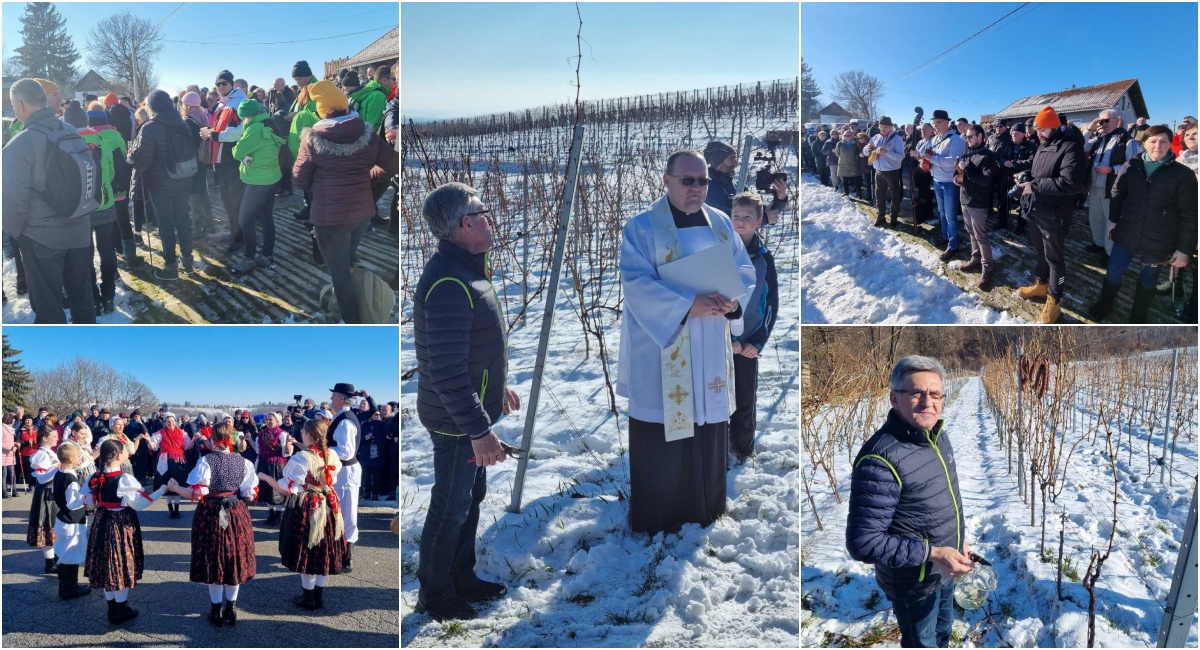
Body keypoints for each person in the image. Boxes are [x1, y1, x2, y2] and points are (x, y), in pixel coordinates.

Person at [617, 150, 755, 532]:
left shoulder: (722, 224)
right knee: (667, 423)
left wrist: (732, 297)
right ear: (666, 180)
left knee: (706, 421)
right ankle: (658, 514)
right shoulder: (642, 228)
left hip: (710, 339)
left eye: (703, 180)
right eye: (688, 180)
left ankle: (705, 507)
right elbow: (636, 284)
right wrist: (685, 305)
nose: (697, 188)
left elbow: (743, 270)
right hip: (666, 344)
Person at [413, 182, 522, 621]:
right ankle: (435, 595)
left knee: (468, 500)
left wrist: (497, 387)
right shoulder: (448, 283)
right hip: (456, 422)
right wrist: (478, 430)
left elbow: (471, 349)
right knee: (450, 506)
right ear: (466, 223)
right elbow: (445, 371)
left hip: (469, 410)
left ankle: (462, 576)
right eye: (483, 211)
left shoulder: (467, 269)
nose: (490, 218)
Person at [846, 355, 972, 648]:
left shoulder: (937, 437)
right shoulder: (879, 460)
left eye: (936, 394)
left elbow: (946, 498)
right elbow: (864, 543)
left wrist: (959, 539)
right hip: (913, 583)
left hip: (944, 571)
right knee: (922, 643)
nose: (928, 402)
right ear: (894, 398)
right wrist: (933, 553)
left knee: (942, 635)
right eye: (916, 393)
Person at [293, 80, 399, 322]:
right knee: (348, 260)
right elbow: (392, 163)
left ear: (322, 110)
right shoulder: (368, 134)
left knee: (338, 273)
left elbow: (299, 179)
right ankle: (358, 302)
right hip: (362, 213)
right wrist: (369, 175)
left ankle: (352, 322)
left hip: (329, 219)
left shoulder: (312, 140)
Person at [2, 79, 97, 324]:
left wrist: (17, 235)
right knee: (82, 300)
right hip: (80, 230)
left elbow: (12, 200)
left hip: (42, 240)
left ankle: (64, 355)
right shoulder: (71, 131)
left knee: (48, 309)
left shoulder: (19, 144)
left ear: (20, 104)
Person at [1087, 125, 1197, 323]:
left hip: (1159, 236)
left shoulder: (1183, 175)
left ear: (1170, 143)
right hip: (1127, 230)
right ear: (1144, 143)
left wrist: (1183, 249)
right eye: (1153, 141)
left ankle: (1138, 315)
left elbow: (1190, 214)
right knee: (1114, 270)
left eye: (1164, 141)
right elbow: (1117, 195)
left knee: (1148, 278)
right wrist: (1112, 221)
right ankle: (1105, 304)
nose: (1158, 145)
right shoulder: (1132, 166)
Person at [163, 422, 258, 627]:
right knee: (232, 558)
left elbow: (197, 495)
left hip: (211, 513)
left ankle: (216, 611)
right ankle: (231, 609)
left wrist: (175, 487)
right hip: (236, 513)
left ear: (213, 439)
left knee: (214, 558)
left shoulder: (206, 461)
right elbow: (250, 496)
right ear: (231, 440)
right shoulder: (244, 463)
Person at [257, 419, 349, 611]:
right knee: (323, 549)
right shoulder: (331, 454)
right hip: (329, 503)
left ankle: (308, 598)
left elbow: (286, 490)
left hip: (309, 505)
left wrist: (265, 477)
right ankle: (318, 596)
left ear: (308, 435)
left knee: (308, 550)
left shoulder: (301, 458)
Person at [1011, 106, 1085, 324]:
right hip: (1037, 210)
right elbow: (1037, 174)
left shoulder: (1071, 147)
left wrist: (1033, 184)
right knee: (1039, 250)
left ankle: (1054, 300)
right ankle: (1041, 284)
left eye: (1043, 129)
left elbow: (1070, 183)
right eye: (1037, 129)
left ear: (1055, 127)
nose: (1039, 133)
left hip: (1056, 213)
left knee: (1054, 258)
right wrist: (1024, 176)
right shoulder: (1043, 146)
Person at [85, 439, 168, 625]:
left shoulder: (94, 476)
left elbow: (87, 503)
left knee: (107, 566)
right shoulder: (124, 478)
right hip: (119, 525)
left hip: (100, 522)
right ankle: (120, 610)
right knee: (120, 565)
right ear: (119, 455)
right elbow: (139, 504)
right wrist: (162, 489)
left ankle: (112, 609)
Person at [128, 90, 199, 281]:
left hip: (160, 184)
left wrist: (132, 156)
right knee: (183, 219)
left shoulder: (149, 127)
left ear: (152, 107)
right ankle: (188, 261)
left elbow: (143, 163)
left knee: (165, 225)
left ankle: (170, 268)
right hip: (183, 178)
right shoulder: (182, 123)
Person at [728, 192, 777, 463]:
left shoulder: (763, 259)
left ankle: (744, 451)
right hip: (719, 344)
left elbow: (770, 303)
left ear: (759, 221)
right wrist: (727, 338)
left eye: (748, 217)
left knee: (744, 401)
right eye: (736, 216)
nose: (741, 222)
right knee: (717, 398)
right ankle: (718, 448)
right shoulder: (719, 252)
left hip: (747, 345)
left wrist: (756, 342)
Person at [230, 98, 286, 274]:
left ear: (246, 116)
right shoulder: (269, 123)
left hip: (258, 180)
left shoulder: (254, 128)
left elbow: (237, 152)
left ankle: (249, 258)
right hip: (272, 176)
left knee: (245, 219)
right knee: (266, 216)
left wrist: (242, 147)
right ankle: (266, 255)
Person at [200, 70, 248, 252]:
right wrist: (209, 132)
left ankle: (240, 237)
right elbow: (222, 129)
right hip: (221, 159)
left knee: (236, 200)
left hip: (232, 159)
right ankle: (234, 231)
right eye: (218, 84)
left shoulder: (239, 103)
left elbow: (240, 131)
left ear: (232, 84)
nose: (220, 87)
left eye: (224, 84)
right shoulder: (223, 104)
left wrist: (212, 134)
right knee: (227, 199)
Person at [1083, 110, 1139, 259]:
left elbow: (1133, 165)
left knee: (1110, 221)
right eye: (1101, 121)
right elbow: (1082, 148)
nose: (1103, 124)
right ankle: (1098, 243)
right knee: (1095, 218)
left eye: (1107, 120)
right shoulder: (1098, 138)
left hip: (1112, 188)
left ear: (1117, 120)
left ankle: (1110, 253)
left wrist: (1112, 170)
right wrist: (1090, 129)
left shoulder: (1128, 140)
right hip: (1095, 187)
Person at [325, 385, 369, 569]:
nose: (331, 399)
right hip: (341, 472)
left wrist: (323, 450)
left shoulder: (345, 422)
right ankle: (338, 553)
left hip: (346, 472)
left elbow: (346, 451)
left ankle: (347, 558)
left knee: (347, 513)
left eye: (333, 396)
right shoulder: (341, 418)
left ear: (341, 399)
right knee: (338, 512)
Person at [955, 124, 1001, 290]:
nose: (968, 139)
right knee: (971, 233)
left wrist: (966, 170)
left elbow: (984, 180)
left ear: (981, 136)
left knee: (981, 235)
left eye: (971, 136)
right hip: (965, 198)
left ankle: (987, 268)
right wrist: (958, 176)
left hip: (978, 202)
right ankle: (975, 259)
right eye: (966, 137)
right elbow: (961, 172)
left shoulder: (988, 156)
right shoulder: (968, 154)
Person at [701, 141, 788, 223]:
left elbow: (765, 212)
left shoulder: (737, 186)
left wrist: (780, 198)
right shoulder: (710, 188)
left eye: (735, 158)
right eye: (731, 158)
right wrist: (763, 219)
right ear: (718, 162)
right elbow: (721, 220)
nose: (736, 163)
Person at [52, 443, 92, 600]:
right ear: (71, 458)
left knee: (63, 552)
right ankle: (70, 587)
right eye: (78, 455)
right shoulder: (71, 479)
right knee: (70, 554)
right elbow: (72, 503)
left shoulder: (59, 473)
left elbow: (56, 493)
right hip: (72, 522)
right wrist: (86, 496)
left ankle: (65, 586)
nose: (79, 457)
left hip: (63, 520)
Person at [286, 61, 321, 222]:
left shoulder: (318, 89)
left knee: (314, 180)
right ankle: (308, 206)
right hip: (299, 141)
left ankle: (315, 209)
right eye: (295, 79)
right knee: (307, 179)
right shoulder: (303, 90)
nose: (298, 82)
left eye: (300, 78)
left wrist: (298, 117)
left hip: (311, 141)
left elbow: (317, 113)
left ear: (308, 75)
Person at [181, 91, 216, 239]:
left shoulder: (187, 121)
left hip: (192, 161)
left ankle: (198, 225)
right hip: (202, 160)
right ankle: (210, 222)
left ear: (186, 106)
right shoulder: (204, 116)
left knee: (194, 194)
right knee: (203, 191)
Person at [28, 425, 61, 574]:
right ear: (44, 438)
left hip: (53, 492)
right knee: (48, 526)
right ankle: (50, 563)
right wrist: (57, 469)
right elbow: (41, 479)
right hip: (46, 493)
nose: (57, 438)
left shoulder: (49, 453)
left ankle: (54, 559)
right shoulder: (41, 455)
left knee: (54, 526)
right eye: (54, 436)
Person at [146, 413, 193, 519]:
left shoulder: (182, 433)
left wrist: (194, 439)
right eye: (168, 421)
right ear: (165, 423)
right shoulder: (160, 433)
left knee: (178, 482)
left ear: (175, 422)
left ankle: (176, 509)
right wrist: (149, 440)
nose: (170, 423)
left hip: (178, 460)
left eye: (172, 421)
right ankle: (170, 510)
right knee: (166, 482)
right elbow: (153, 446)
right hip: (165, 460)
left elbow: (187, 446)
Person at [864, 117, 906, 228]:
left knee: (894, 196)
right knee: (879, 195)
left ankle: (894, 218)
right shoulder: (875, 137)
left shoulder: (897, 139)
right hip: (878, 170)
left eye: (885, 127)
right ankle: (881, 216)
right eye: (881, 126)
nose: (882, 129)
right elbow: (864, 150)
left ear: (891, 127)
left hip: (892, 171)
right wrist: (867, 149)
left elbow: (900, 157)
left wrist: (886, 152)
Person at [255, 412, 294, 525]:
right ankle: (271, 514)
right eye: (267, 419)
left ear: (277, 421)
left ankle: (278, 514)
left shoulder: (282, 434)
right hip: (264, 463)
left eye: (271, 419)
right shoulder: (262, 434)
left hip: (277, 465)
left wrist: (287, 443)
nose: (268, 421)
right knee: (267, 490)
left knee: (277, 490)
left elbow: (286, 453)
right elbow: (258, 450)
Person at [1005, 123, 1037, 236]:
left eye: (1017, 133)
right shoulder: (1008, 145)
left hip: (1024, 179)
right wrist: (1005, 162)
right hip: (1009, 176)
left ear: (1023, 134)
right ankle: (1004, 222)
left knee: (1023, 203)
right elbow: (1002, 156)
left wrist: (1014, 164)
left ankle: (1020, 226)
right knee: (1007, 200)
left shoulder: (1031, 146)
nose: (1014, 135)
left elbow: (1032, 162)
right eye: (1012, 133)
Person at [985, 120, 1014, 229]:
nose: (998, 127)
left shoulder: (1009, 139)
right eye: (996, 126)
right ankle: (989, 210)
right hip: (991, 171)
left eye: (1000, 126)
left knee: (1002, 197)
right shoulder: (991, 137)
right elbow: (987, 150)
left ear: (1005, 127)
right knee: (989, 193)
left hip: (1003, 172)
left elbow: (1009, 156)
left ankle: (1002, 221)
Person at [908, 123, 936, 228]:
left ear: (931, 130)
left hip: (928, 170)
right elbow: (916, 155)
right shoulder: (920, 142)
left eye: (925, 129)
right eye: (922, 129)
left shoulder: (933, 141)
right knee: (920, 192)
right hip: (919, 169)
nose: (923, 131)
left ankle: (928, 213)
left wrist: (918, 155)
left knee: (926, 192)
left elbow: (929, 156)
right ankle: (921, 213)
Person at [359, 408, 386, 501]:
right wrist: (365, 438)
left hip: (377, 453)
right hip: (366, 452)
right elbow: (359, 439)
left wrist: (375, 439)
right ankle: (366, 492)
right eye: (376, 414)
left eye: (379, 415)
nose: (378, 416)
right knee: (366, 474)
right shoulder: (365, 425)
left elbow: (385, 439)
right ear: (371, 415)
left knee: (376, 475)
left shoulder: (383, 425)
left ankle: (375, 494)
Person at [834, 130, 862, 198]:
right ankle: (846, 192)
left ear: (852, 136)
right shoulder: (840, 143)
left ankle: (859, 193)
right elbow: (837, 153)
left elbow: (858, 152)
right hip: (843, 164)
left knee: (856, 179)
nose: (847, 137)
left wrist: (856, 158)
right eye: (845, 135)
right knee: (844, 180)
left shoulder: (855, 143)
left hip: (853, 163)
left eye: (849, 135)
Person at [2, 413, 15, 499]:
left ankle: (13, 490)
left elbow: (9, 441)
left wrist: (15, 444)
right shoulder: (2, 428)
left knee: (12, 472)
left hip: (11, 455)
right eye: (13, 419)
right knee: (4, 474)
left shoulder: (11, 429)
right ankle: (4, 491)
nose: (14, 421)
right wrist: (10, 448)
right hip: (3, 455)